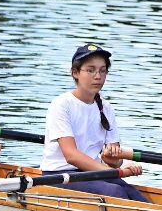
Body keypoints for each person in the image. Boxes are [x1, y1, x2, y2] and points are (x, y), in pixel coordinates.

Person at [40, 43, 151, 202]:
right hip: (58, 174)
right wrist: (114, 172)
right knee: (114, 191)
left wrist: (113, 160)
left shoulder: (106, 108)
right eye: (90, 70)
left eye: (102, 70)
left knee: (137, 196)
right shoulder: (61, 105)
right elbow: (71, 156)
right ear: (75, 73)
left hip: (94, 172)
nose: (98, 76)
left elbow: (116, 162)